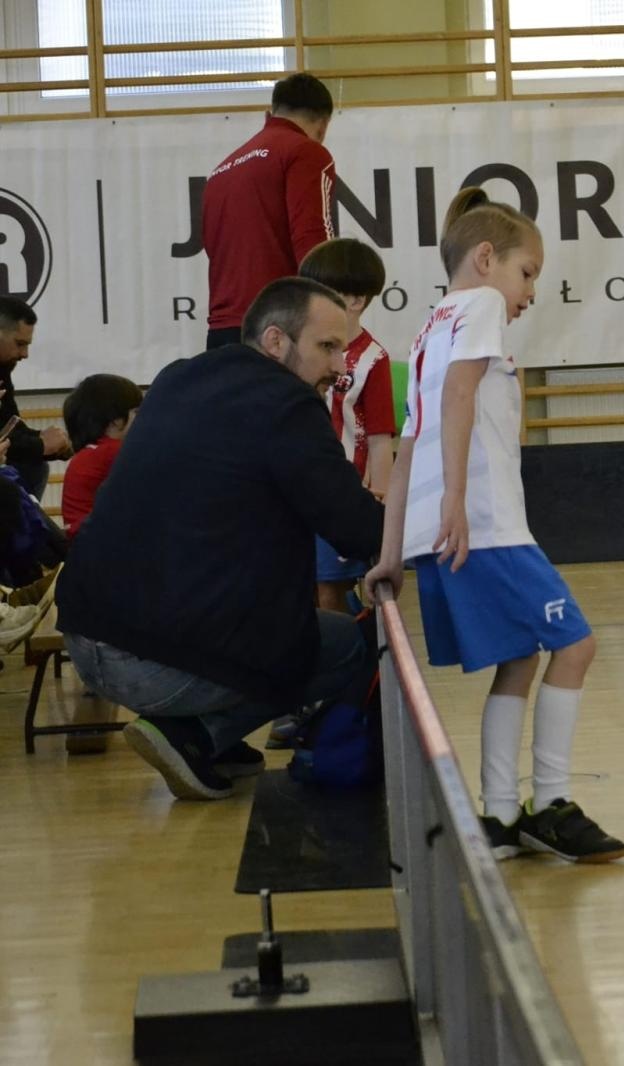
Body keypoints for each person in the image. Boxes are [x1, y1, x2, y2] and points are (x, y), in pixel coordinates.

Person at [365, 187, 624, 865]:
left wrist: (391, 552)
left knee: (521, 658)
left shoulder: (429, 329)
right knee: (576, 646)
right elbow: (457, 399)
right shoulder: (479, 305)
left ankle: (503, 817)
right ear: (486, 259)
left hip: (450, 529)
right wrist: (456, 499)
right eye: (527, 273)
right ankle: (552, 803)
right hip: (482, 526)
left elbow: (406, 448)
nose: (530, 292)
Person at [56, 278, 383, 800]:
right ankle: (198, 736)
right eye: (326, 346)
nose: (339, 366)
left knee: (266, 617)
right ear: (275, 341)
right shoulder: (288, 403)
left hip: (83, 633)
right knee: (349, 645)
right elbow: (354, 525)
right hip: (152, 662)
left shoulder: (178, 378)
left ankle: (217, 739)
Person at [201, 72, 336, 350]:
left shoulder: (220, 172)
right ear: (323, 125)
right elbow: (314, 242)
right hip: (276, 328)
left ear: (269, 113)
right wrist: (336, 314)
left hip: (221, 332)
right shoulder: (306, 151)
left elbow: (212, 249)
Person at [298, 238, 397, 612]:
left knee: (329, 590)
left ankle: (344, 647)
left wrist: (382, 508)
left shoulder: (373, 359)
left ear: (355, 300)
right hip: (300, 489)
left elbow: (380, 438)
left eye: (322, 292)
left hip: (341, 494)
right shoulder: (301, 349)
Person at [0, 296, 73, 498]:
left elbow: (10, 427)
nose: (25, 354)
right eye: (19, 344)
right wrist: (41, 444)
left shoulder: (3, 368)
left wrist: (49, 443)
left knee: (33, 465)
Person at [60, 374, 142, 539]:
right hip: (102, 540)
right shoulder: (113, 452)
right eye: (137, 412)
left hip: (83, 539)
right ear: (116, 421)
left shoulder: (91, 453)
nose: (143, 420)